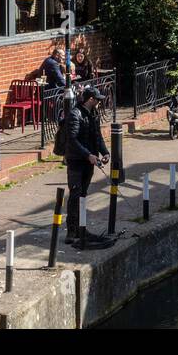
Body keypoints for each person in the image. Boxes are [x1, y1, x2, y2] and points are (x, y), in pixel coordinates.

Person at [63, 84, 110, 245]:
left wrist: (105, 152)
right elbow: (73, 140)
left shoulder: (94, 114)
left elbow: (98, 136)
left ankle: (81, 228)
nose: (99, 103)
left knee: (83, 195)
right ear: (91, 99)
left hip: (89, 160)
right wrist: (88, 155)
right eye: (98, 100)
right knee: (75, 194)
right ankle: (71, 231)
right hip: (76, 161)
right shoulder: (74, 115)